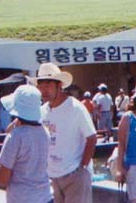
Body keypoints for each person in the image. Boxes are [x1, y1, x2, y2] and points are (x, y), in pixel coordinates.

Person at [31, 63, 96, 203]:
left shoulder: (75, 108)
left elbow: (91, 137)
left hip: (74, 174)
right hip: (53, 177)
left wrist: (82, 167)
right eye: (40, 86)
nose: (43, 91)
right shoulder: (42, 111)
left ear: (59, 85)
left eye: (48, 86)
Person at [0, 85, 53, 203]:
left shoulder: (15, 136)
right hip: (45, 197)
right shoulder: (45, 132)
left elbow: (3, 180)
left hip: (21, 198)